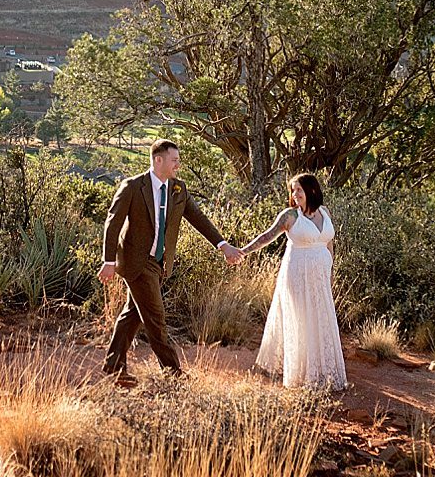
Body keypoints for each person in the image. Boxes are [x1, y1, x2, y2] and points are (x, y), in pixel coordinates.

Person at [99, 139, 242, 384]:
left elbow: (198, 218)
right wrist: (108, 261)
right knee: (155, 317)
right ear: (158, 160)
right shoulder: (133, 187)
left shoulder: (179, 189)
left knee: (132, 314)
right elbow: (112, 224)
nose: (178, 164)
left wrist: (223, 245)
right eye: (174, 160)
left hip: (159, 263)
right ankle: (174, 374)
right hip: (136, 261)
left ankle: (113, 368)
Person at [241, 172, 346, 389]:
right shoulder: (290, 216)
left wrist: (330, 270)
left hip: (320, 276)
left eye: (298, 189)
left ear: (312, 190)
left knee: (321, 319)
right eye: (292, 190)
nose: (294, 194)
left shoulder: (324, 212)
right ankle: (302, 375)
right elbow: (266, 237)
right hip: (298, 274)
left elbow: (329, 244)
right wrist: (242, 252)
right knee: (302, 320)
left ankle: (322, 372)